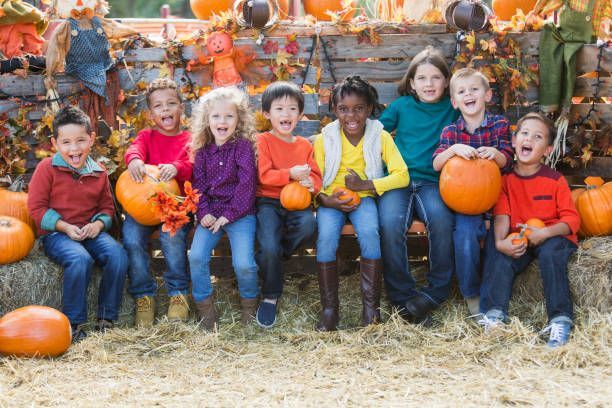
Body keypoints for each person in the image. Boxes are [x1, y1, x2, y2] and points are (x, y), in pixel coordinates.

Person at [313, 75, 409, 331]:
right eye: (343, 109)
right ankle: (330, 310)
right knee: (326, 238)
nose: (351, 116)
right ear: (335, 110)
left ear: (369, 109)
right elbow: (315, 179)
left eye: (358, 108)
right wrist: (326, 200)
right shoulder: (325, 139)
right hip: (330, 201)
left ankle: (371, 310)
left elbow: (402, 175)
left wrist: (366, 186)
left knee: (369, 232)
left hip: (364, 198)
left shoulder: (381, 137)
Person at [479, 112, 580, 348]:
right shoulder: (504, 181)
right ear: (514, 141)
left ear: (547, 149)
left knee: (550, 254)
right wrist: (501, 242)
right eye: (525, 134)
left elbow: (571, 221)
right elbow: (501, 215)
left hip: (554, 236)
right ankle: (495, 316)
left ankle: (560, 320)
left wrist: (544, 233)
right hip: (522, 237)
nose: (529, 139)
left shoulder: (555, 180)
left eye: (538, 137)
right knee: (502, 258)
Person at [27, 106, 128, 342]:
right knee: (79, 258)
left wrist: (99, 226)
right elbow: (36, 209)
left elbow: (107, 208)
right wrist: (64, 227)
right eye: (67, 142)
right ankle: (74, 323)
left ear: (91, 139)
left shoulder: (99, 172)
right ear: (55, 143)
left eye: (81, 140)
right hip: (57, 234)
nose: (74, 148)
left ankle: (106, 318)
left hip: (89, 230)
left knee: (118, 255)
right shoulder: (47, 169)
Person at [378, 46, 459, 324]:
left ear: (446, 81)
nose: (429, 84)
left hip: (432, 181)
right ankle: (402, 298)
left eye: (435, 78)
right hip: (398, 179)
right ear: (411, 83)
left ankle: (435, 292)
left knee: (441, 220)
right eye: (422, 78)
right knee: (389, 222)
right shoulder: (401, 106)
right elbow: (376, 133)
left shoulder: (452, 108)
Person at [432, 67, 513, 316]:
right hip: (465, 203)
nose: (469, 94)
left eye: (474, 89)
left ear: (487, 95)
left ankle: (495, 293)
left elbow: (509, 159)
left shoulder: (500, 124)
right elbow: (436, 164)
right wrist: (453, 150)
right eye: (462, 91)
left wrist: (498, 155)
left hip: (496, 198)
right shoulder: (451, 133)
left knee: (497, 242)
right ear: (455, 102)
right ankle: (471, 294)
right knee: (465, 235)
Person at [122, 78, 193, 327]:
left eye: (171, 104)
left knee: (171, 239)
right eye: (159, 106)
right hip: (144, 205)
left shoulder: (189, 139)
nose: (165, 110)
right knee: (131, 237)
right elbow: (133, 151)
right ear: (151, 113)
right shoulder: (147, 136)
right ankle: (144, 295)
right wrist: (134, 161)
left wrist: (176, 167)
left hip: (175, 207)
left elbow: (194, 164)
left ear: (181, 108)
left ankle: (178, 293)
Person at [188, 86, 259, 331]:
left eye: (229, 116)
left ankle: (250, 307)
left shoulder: (243, 148)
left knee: (244, 264)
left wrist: (227, 216)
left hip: (240, 213)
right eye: (216, 116)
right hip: (211, 213)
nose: (222, 121)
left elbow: (246, 187)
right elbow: (198, 186)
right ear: (207, 120)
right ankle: (206, 310)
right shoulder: (202, 151)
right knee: (196, 256)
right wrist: (204, 212)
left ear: (238, 120)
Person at [254, 81, 322, 328]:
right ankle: (270, 296)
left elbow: (315, 175)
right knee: (268, 242)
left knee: (307, 226)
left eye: (292, 109)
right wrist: (290, 174)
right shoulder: (263, 141)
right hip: (268, 201)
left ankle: (274, 255)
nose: (286, 114)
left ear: (300, 114)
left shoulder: (304, 145)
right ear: (267, 114)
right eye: (279, 109)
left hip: (297, 202)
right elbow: (263, 176)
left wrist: (311, 184)